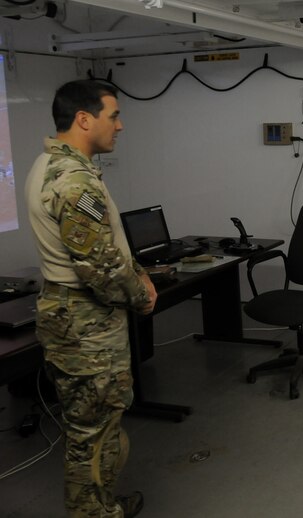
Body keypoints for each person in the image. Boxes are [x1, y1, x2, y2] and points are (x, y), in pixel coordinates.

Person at [25, 80, 156, 518]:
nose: (120, 126)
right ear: (84, 119)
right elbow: (100, 267)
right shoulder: (74, 182)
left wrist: (136, 271)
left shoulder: (51, 165)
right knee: (93, 432)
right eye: (113, 115)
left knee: (93, 427)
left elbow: (107, 246)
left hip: (73, 317)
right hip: (87, 327)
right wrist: (141, 294)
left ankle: (102, 506)